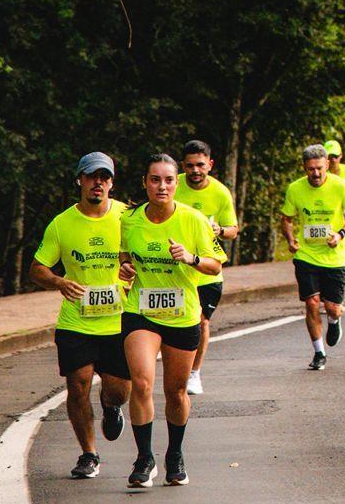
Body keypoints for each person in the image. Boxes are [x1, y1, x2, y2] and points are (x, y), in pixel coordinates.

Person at [119, 154, 222, 487]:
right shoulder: (130, 220)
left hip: (182, 315)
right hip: (141, 312)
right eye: (154, 179)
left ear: (176, 184)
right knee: (142, 381)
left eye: (167, 180)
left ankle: (174, 454)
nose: (161, 186)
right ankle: (144, 458)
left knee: (176, 391)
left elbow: (216, 265)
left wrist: (190, 258)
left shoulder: (194, 220)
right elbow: (124, 255)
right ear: (145, 182)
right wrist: (125, 267)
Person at [29, 152, 131, 480]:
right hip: (77, 320)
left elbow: (147, 252)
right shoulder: (62, 224)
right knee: (77, 384)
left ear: (112, 183)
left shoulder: (128, 217)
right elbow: (37, 268)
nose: (97, 183)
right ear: (80, 181)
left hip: (118, 320)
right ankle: (89, 452)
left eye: (104, 177)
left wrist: (133, 269)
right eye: (91, 177)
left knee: (118, 390)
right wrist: (59, 281)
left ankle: (112, 406)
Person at [280, 144, 345, 371]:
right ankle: (319, 352)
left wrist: (341, 234)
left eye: (320, 169)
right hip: (306, 255)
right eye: (311, 169)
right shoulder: (295, 189)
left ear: (327, 166)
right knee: (312, 303)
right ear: (304, 167)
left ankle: (334, 321)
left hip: (333, 256)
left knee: (332, 307)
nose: (315, 174)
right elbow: (286, 218)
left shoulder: (341, 186)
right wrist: (291, 239)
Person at [172, 140, 238, 397]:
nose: (195, 171)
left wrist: (219, 230)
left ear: (210, 164)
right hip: (177, 268)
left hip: (208, 270)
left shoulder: (220, 193)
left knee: (201, 321)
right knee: (176, 321)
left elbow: (233, 230)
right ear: (182, 167)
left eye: (200, 165)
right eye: (189, 166)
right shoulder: (172, 185)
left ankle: (194, 372)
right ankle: (176, 365)